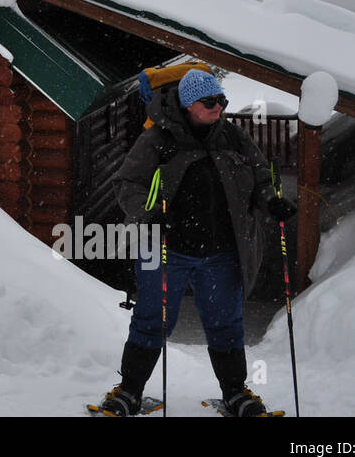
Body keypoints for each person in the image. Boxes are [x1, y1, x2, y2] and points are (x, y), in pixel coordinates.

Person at [95, 69, 297, 417]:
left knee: (225, 323)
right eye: (210, 102)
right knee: (150, 320)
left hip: (222, 251)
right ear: (189, 105)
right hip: (164, 247)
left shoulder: (233, 137)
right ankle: (129, 392)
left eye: (222, 100)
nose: (218, 107)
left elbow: (263, 176)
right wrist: (147, 214)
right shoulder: (158, 139)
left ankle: (235, 393)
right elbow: (127, 182)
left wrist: (271, 200)